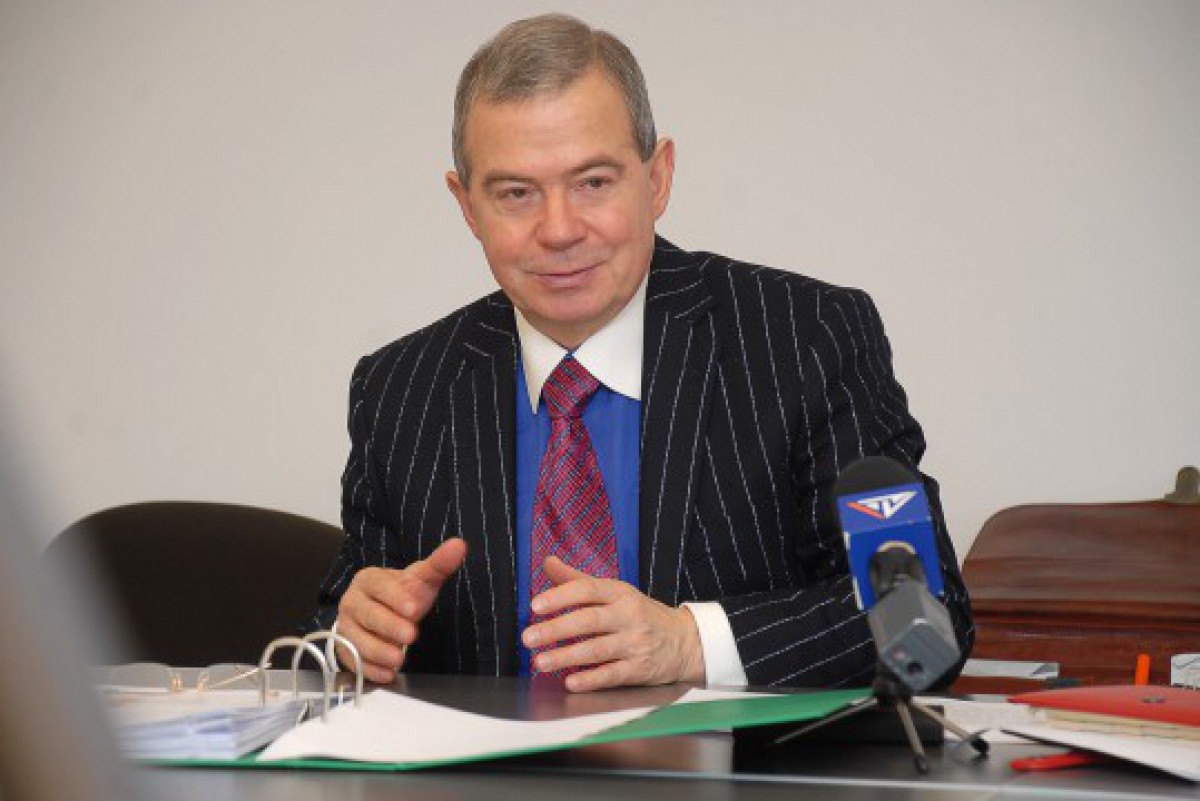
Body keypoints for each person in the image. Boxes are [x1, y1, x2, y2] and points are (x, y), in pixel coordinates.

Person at [312, 13, 973, 692]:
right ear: (466, 206)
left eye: (593, 182)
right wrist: (351, 638)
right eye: (516, 193)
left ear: (657, 179)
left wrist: (690, 643)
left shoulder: (805, 339)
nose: (559, 229)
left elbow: (923, 617)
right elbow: (335, 630)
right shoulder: (400, 390)